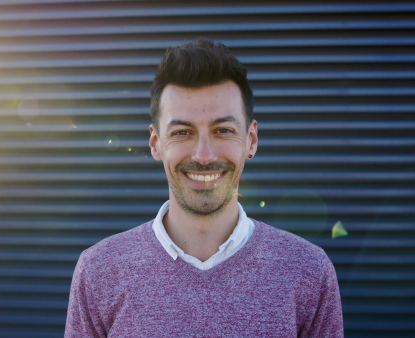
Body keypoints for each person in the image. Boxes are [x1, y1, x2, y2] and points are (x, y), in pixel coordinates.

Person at [65, 38, 343, 337]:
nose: (204, 155)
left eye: (223, 130)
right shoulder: (98, 270)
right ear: (156, 143)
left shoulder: (309, 271)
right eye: (182, 132)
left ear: (251, 140)